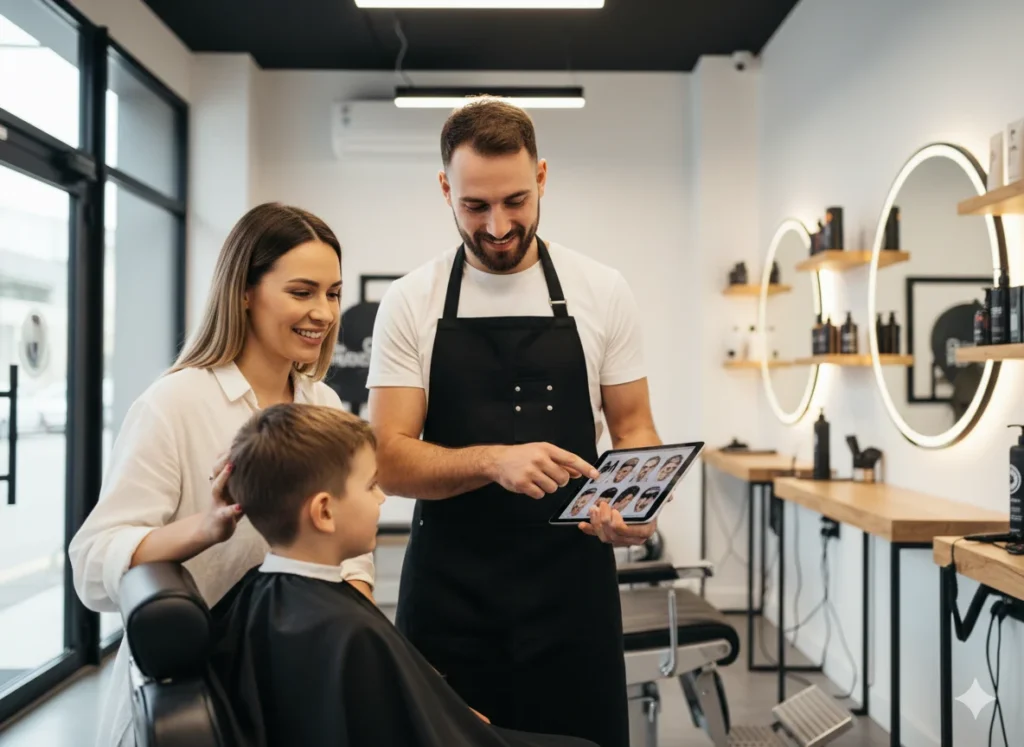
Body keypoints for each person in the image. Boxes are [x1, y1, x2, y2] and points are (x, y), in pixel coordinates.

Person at [366, 98, 664, 747]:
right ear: (446, 188)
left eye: (515, 201)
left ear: (543, 179)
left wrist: (636, 502)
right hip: (449, 601)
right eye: (475, 206)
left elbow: (635, 426)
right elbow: (386, 459)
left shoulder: (602, 289)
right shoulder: (411, 301)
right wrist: (490, 460)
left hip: (573, 597)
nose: (498, 225)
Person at [67, 203, 376, 747]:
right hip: (205, 695)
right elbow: (93, 565)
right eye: (302, 292)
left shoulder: (322, 402)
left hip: (295, 682)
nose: (324, 314)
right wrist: (205, 529)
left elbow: (347, 544)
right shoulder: (175, 403)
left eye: (332, 293)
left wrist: (356, 628)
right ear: (244, 292)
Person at [207, 403, 598, 747]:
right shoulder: (344, 631)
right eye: (371, 485)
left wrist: (444, 708)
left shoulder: (256, 597)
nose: (381, 498)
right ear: (324, 512)